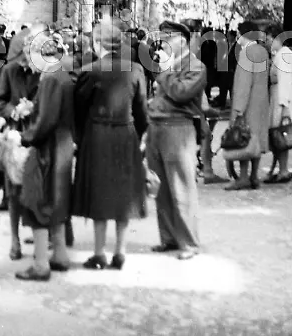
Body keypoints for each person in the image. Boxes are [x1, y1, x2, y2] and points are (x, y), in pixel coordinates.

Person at [72, 18, 148, 270]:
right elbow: (141, 112)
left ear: (97, 43)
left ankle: (99, 252)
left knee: (100, 192)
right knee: (123, 192)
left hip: (98, 135)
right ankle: (120, 251)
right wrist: (138, 136)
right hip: (126, 134)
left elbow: (78, 109)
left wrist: (79, 139)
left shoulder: (90, 70)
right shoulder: (136, 70)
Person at [16, 31, 75, 281]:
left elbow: (46, 121)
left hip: (48, 147)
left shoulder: (50, 78)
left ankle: (40, 264)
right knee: (57, 200)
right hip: (63, 145)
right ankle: (60, 255)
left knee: (37, 200)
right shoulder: (62, 74)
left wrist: (26, 137)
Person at [146, 21, 206, 261]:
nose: (163, 42)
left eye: (168, 37)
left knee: (181, 187)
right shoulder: (167, 65)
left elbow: (181, 93)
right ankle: (169, 237)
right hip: (157, 127)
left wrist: (164, 72)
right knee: (160, 187)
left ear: (182, 40)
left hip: (178, 129)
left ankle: (189, 242)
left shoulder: (196, 67)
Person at [0, 24, 45, 261]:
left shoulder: (43, 70)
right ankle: (14, 240)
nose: (24, 63)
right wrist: (15, 111)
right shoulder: (9, 71)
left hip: (36, 134)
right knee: (13, 191)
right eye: (21, 58)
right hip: (14, 136)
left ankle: (39, 236)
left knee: (36, 188)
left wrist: (32, 108)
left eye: (27, 58)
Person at [224, 21, 270, 190]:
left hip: (248, 104)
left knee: (243, 138)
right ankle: (254, 177)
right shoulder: (263, 51)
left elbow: (244, 84)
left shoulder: (246, 53)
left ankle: (243, 178)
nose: (237, 37)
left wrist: (239, 109)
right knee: (255, 140)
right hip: (261, 103)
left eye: (238, 33)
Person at [264, 25, 292, 184]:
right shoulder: (281, 55)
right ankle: (278, 169)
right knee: (277, 136)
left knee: (281, 135)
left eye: (269, 39)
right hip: (279, 96)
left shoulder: (283, 56)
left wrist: (285, 108)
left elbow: (284, 82)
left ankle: (283, 170)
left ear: (275, 38)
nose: (267, 42)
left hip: (282, 99)